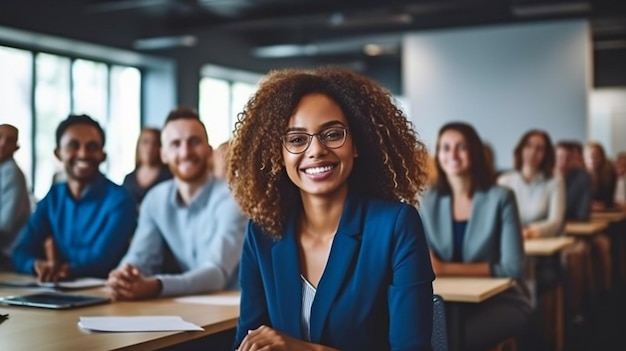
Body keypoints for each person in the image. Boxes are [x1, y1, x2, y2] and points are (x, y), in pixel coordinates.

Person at [229, 67, 434, 351]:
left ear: (357, 145)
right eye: (297, 139)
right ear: (279, 153)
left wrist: (303, 349)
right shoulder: (263, 231)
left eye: (332, 134)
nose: (316, 150)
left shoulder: (396, 226)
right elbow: (246, 342)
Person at [106, 107, 247, 300]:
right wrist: (123, 277)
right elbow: (141, 258)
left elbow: (216, 274)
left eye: (194, 142)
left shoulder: (233, 199)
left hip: (235, 309)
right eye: (175, 144)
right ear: (163, 154)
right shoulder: (155, 199)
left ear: (208, 150)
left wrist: (155, 286)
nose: (185, 152)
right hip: (190, 304)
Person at [419, 122, 531, 351]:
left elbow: (512, 268)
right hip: (445, 301)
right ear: (438, 155)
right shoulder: (428, 201)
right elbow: (425, 261)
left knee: (453, 339)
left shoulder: (501, 198)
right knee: (425, 334)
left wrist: (446, 268)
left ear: (475, 152)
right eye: (446, 147)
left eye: (462, 147)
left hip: (500, 300)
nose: (453, 155)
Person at [11, 114, 137, 281]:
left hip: (107, 295)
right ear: (58, 153)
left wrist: (61, 269)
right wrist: (36, 265)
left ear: (102, 155)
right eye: (73, 145)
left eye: (92, 147)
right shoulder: (53, 198)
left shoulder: (120, 201)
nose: (83, 154)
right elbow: (20, 251)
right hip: (56, 289)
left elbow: (102, 260)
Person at [0, 124, 31, 270]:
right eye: (0, 137)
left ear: (16, 148)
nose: (3, 144)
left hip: (8, 255)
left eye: (10, 140)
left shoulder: (11, 173)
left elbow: (4, 226)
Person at [122, 127, 172, 208]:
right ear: (138, 146)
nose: (150, 147)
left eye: (155, 143)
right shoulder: (128, 179)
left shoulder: (169, 177)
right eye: (145, 142)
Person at [555, 140, 592, 221]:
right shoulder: (545, 177)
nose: (564, 162)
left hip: (573, 225)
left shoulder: (582, 178)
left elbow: (582, 214)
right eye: (560, 157)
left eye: (568, 158)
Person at [584, 141, 617, 211]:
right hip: (584, 212)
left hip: (605, 212)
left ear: (602, 157)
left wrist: (604, 205)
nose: (592, 159)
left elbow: (611, 199)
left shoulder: (610, 175)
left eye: (596, 156)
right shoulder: (579, 176)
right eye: (589, 156)